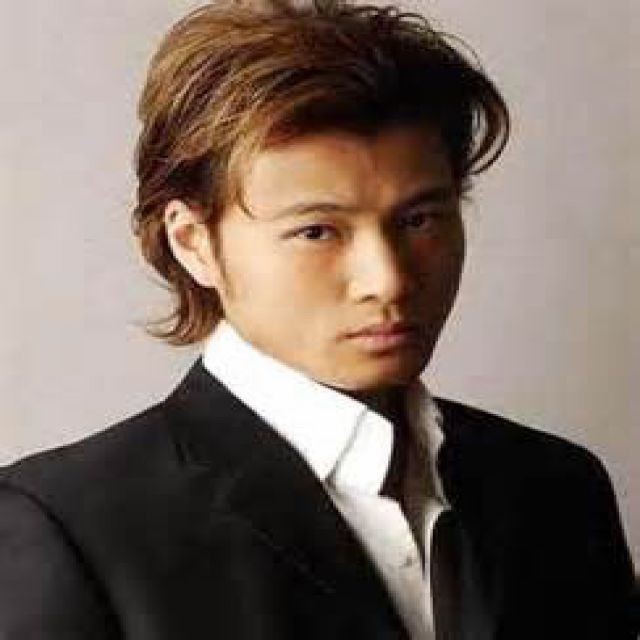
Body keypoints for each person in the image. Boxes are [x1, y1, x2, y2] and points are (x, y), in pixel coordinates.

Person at [0, 0, 635, 638]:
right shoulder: (65, 527)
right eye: (317, 231)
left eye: (420, 220)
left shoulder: (556, 489)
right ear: (193, 242)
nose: (388, 279)